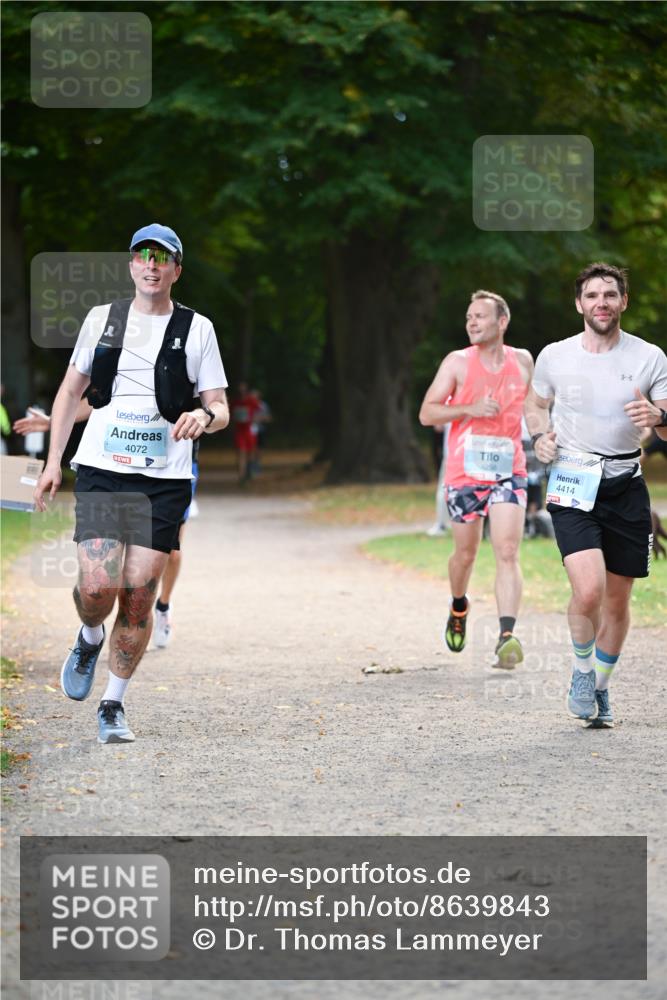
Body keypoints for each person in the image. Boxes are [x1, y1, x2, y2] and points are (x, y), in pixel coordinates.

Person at [33, 224, 229, 743]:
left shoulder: (197, 329)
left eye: (163, 258)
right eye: (143, 256)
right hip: (102, 468)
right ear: (131, 265)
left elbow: (220, 405)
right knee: (98, 586)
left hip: (163, 479)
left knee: (139, 595)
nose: (152, 265)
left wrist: (205, 419)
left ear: (176, 270)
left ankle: (113, 704)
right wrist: (53, 461)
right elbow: (69, 392)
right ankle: (89, 634)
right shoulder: (104, 319)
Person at [525, 262, 667, 727]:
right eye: (592, 296)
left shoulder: (649, 357)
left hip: (626, 485)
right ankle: (582, 673)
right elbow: (535, 403)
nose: (601, 303)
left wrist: (656, 417)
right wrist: (541, 435)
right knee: (588, 590)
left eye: (610, 295)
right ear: (579, 304)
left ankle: (601, 688)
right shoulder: (555, 356)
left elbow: (665, 418)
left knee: (618, 602)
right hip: (572, 480)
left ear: (623, 301)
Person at [16, 401, 196, 651]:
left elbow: (213, 406)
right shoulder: (118, 363)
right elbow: (99, 400)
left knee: (172, 553)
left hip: (170, 469)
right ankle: (97, 628)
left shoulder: (185, 364)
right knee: (107, 563)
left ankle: (163, 605)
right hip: (115, 469)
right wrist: (54, 420)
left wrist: (202, 416)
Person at [419, 290, 533, 668]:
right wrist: (469, 408)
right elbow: (427, 414)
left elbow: (535, 410)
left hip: (508, 471)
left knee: (507, 551)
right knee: (465, 555)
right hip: (465, 473)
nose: (471, 322)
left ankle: (506, 635)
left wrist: (547, 434)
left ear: (502, 322)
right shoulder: (457, 362)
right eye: (469, 316)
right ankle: (458, 604)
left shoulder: (523, 361)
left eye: (480, 316)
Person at [230, 381, 260, 482]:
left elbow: (259, 410)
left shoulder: (251, 400)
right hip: (239, 431)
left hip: (249, 430)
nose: (241, 389)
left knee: (250, 453)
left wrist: (255, 420)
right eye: (240, 387)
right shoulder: (235, 401)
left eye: (243, 387)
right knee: (241, 452)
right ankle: (241, 476)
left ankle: (248, 471)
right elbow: (231, 414)